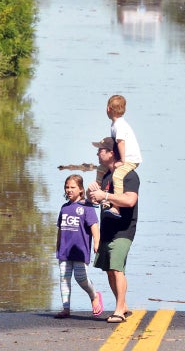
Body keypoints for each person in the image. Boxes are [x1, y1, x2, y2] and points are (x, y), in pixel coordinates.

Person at [88, 138, 140, 323]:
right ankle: (123, 305)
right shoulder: (106, 176)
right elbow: (102, 201)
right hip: (107, 229)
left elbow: (130, 200)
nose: (97, 153)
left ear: (111, 153)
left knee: (117, 269)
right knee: (110, 270)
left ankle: (119, 310)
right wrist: (92, 194)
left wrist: (106, 195)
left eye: (101, 150)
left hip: (124, 229)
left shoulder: (129, 175)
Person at [55, 174, 104, 319]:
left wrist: (97, 242)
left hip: (80, 251)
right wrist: (57, 245)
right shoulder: (64, 208)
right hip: (64, 250)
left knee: (81, 277)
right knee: (64, 277)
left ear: (81, 189)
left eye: (72, 187)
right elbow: (60, 228)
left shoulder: (86, 207)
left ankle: (94, 296)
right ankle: (66, 308)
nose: (69, 190)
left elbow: (94, 226)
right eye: (67, 187)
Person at [95, 95, 142, 218]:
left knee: (117, 175)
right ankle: (97, 192)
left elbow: (121, 142)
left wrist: (122, 160)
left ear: (108, 109)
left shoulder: (119, 125)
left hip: (130, 158)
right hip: (124, 157)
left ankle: (116, 208)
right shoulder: (115, 124)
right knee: (101, 169)